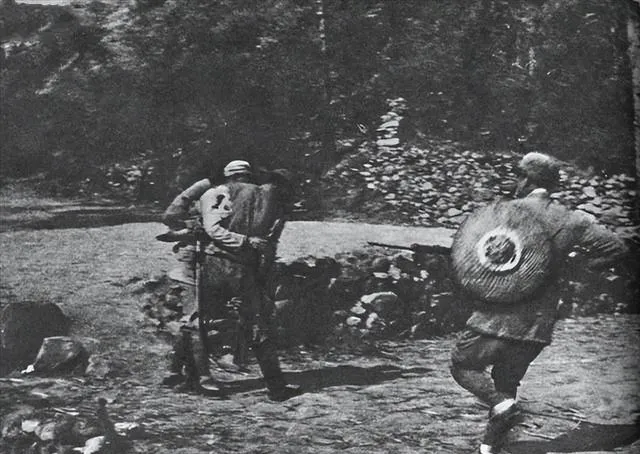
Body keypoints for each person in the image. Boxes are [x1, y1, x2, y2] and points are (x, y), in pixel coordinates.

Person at [449, 152, 628, 454]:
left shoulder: (505, 212)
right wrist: (578, 269)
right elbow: (618, 247)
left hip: (495, 319)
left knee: (462, 365)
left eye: (518, 176)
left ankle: (501, 407)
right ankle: (489, 448)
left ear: (527, 179)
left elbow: (478, 251)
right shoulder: (571, 219)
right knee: (506, 381)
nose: (515, 182)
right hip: (537, 325)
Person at [164, 160, 303, 401]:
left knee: (197, 321)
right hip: (244, 267)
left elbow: (180, 219)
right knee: (256, 323)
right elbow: (268, 245)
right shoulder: (273, 200)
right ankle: (276, 386)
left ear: (228, 176)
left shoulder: (216, 192)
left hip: (211, 262)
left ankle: (194, 378)